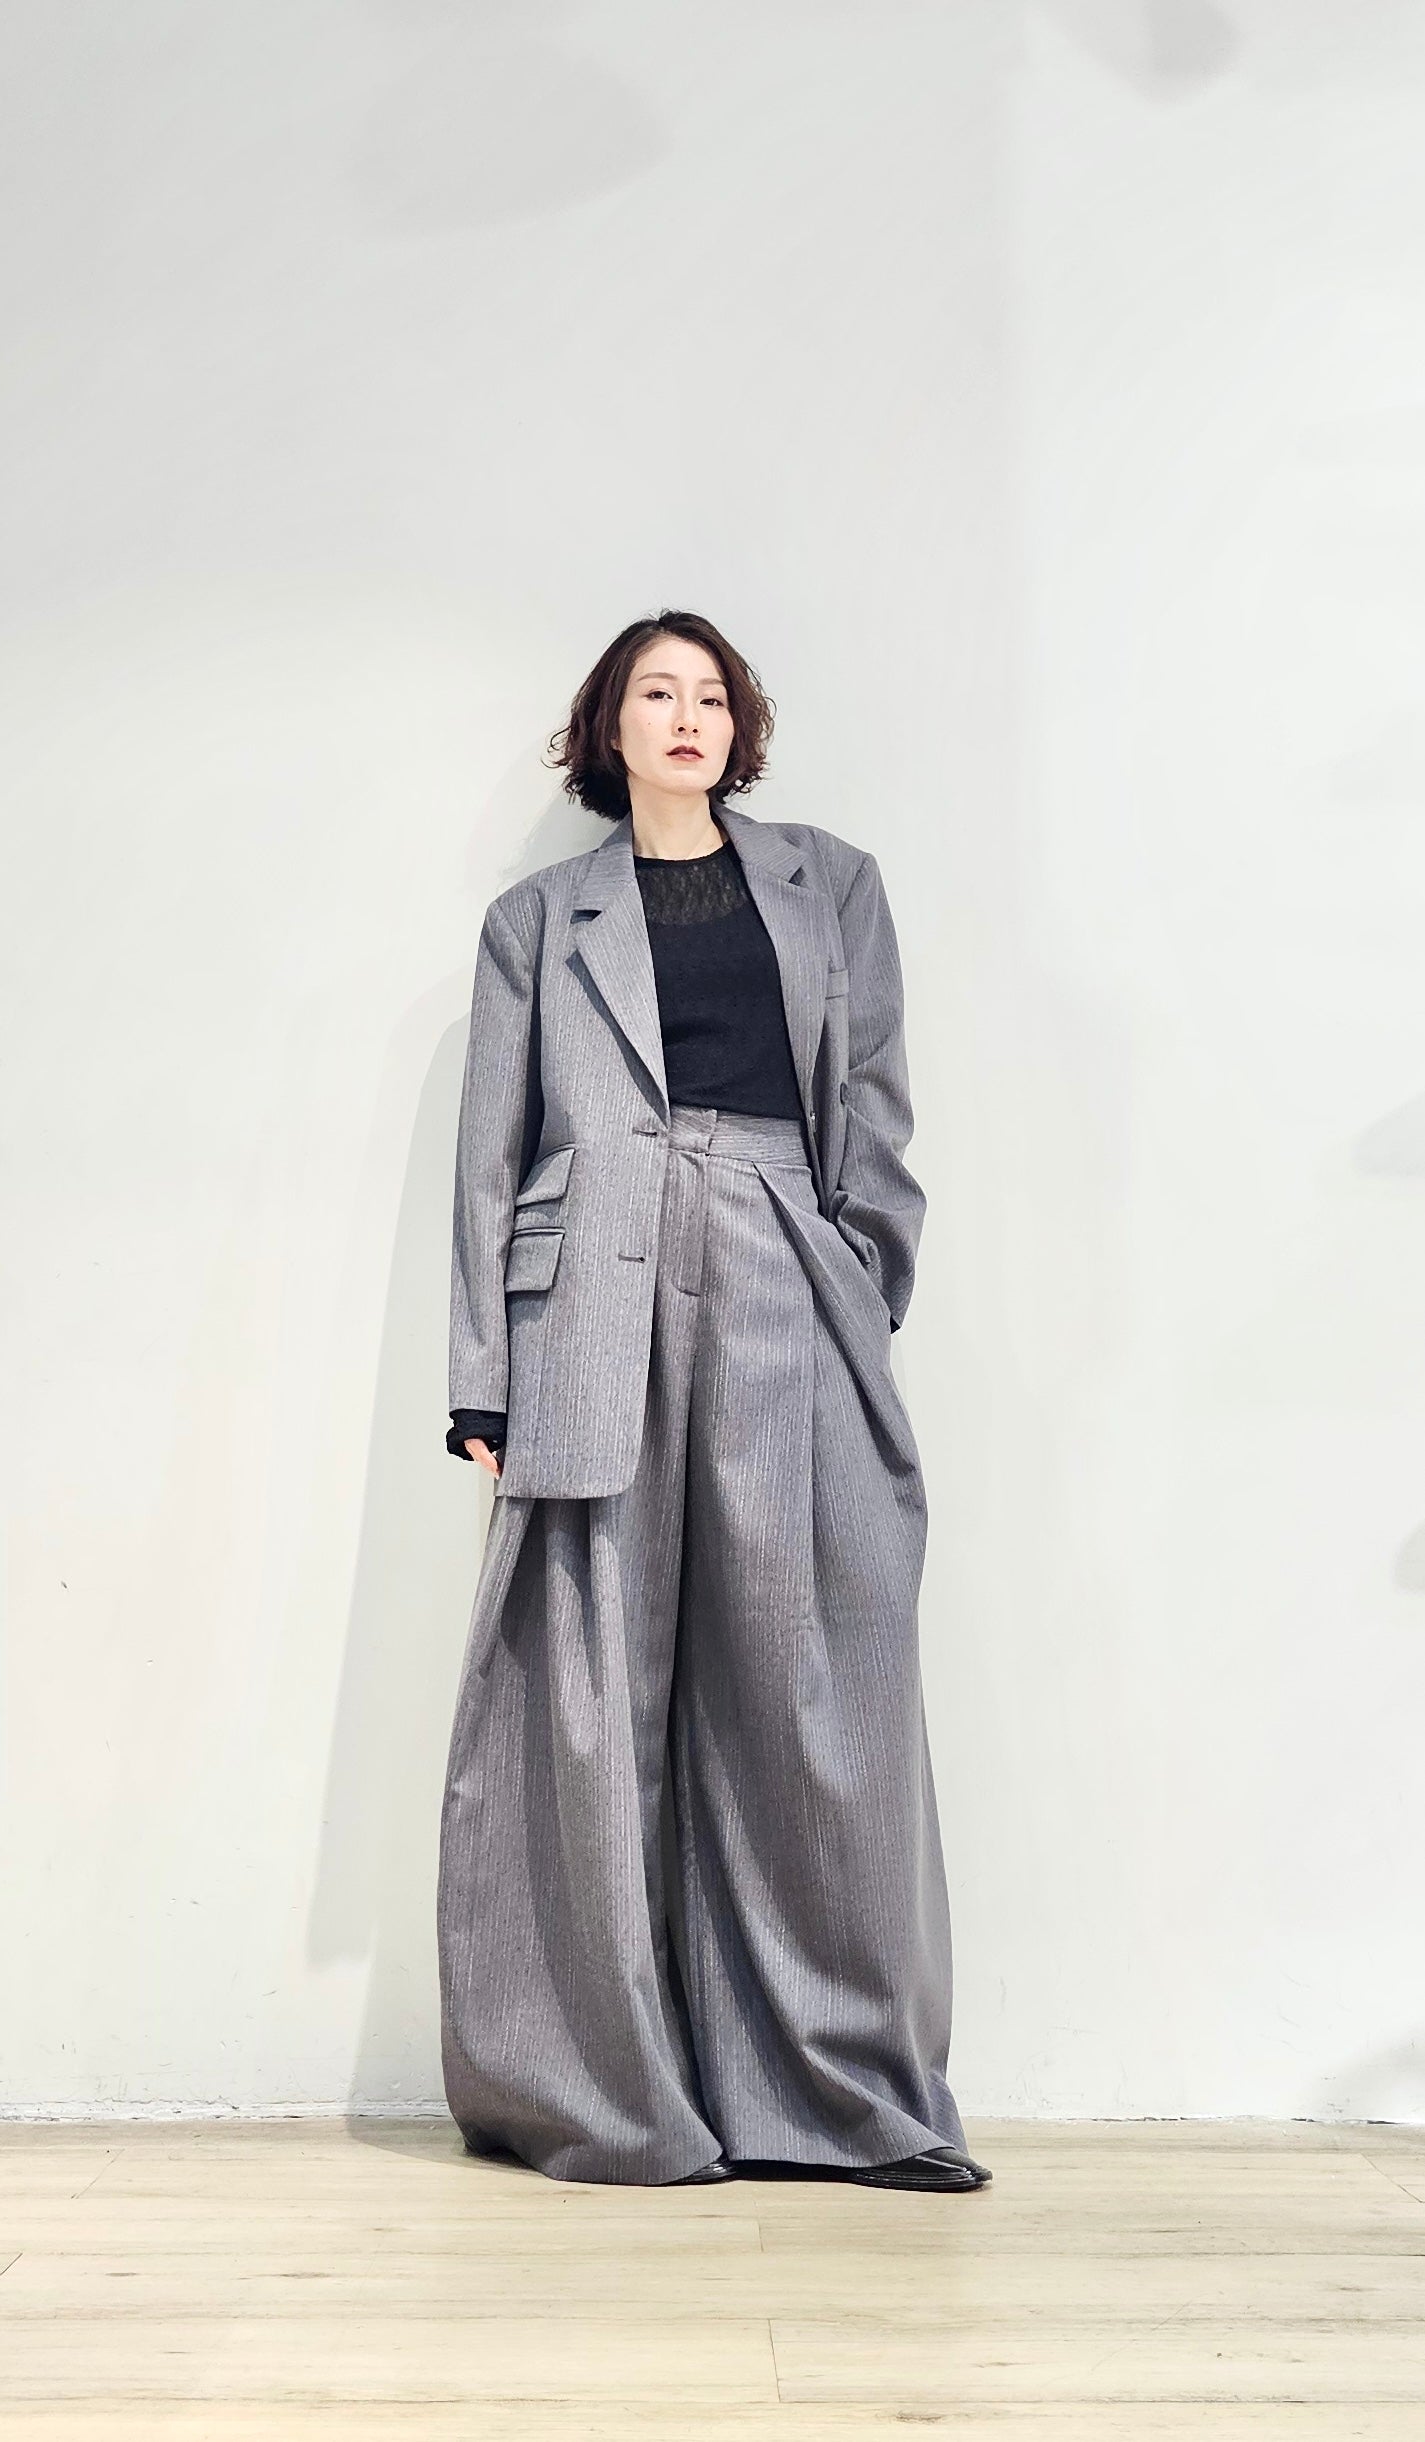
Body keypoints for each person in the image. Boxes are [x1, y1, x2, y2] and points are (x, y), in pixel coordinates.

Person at [435, 609, 990, 2193]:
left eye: (709, 695)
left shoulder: (831, 883)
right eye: (653, 693)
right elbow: (489, 1157)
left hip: (781, 1264)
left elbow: (871, 1106)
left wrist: (856, 1284)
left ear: (738, 728)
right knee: (587, 1688)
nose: (685, 715)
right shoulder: (537, 919)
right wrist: (482, 1378)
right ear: (606, 729)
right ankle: (602, 2085)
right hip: (587, 1299)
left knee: (810, 1666)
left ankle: (832, 2090)